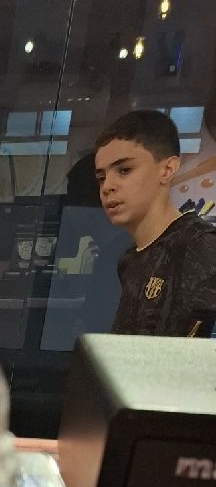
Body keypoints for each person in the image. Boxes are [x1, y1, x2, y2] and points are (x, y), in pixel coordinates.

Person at [94, 108, 216, 336]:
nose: (107, 186)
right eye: (101, 177)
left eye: (124, 170)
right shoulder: (128, 259)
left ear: (168, 169)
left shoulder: (200, 246)